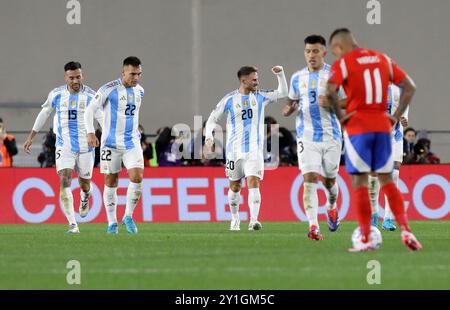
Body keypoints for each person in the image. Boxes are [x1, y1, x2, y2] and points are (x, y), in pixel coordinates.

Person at [326, 28, 422, 251]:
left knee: (360, 181)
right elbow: (410, 87)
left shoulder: (345, 63)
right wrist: (396, 117)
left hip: (358, 127)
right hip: (383, 127)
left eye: (334, 52)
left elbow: (330, 92)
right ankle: (406, 230)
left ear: (339, 47)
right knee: (387, 179)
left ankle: (366, 237)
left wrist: (342, 119)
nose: (336, 56)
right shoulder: (383, 59)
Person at [205, 65, 288, 231]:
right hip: (233, 152)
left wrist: (281, 74)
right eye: (254, 79)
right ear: (244, 81)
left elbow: (283, 93)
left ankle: (253, 220)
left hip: (254, 150)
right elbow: (212, 118)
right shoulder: (229, 99)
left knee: (253, 181)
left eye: (257, 78)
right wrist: (208, 135)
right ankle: (235, 219)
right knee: (235, 186)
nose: (257, 82)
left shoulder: (261, 96)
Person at [23, 61, 103, 233]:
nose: (75, 81)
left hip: (86, 147)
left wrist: (104, 137)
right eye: (71, 77)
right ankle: (73, 224)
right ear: (65, 77)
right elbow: (44, 113)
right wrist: (31, 136)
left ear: (83, 76)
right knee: (65, 180)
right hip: (64, 146)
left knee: (85, 184)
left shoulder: (91, 96)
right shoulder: (56, 94)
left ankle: (85, 196)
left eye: (78, 77)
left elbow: (102, 117)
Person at [283, 35, 346, 240]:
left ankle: (332, 205)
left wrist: (331, 102)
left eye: (316, 51)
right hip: (306, 136)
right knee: (309, 179)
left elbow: (350, 102)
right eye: (308, 51)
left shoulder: (336, 75)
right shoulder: (296, 77)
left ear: (324, 53)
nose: (311, 55)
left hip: (331, 135)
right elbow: (291, 101)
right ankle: (313, 227)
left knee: (329, 181)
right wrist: (288, 109)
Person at [85, 56, 145, 234]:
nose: (136, 78)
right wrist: (90, 132)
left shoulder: (140, 91)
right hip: (110, 144)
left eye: (139, 74)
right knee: (111, 181)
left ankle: (128, 216)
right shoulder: (108, 89)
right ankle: (112, 222)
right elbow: (90, 110)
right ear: (123, 72)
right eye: (132, 74)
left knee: (137, 177)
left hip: (132, 142)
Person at [368, 84, 409, 230]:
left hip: (395, 137)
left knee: (394, 174)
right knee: (375, 176)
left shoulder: (399, 89)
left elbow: (405, 109)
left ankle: (387, 219)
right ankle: (373, 217)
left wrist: (404, 119)